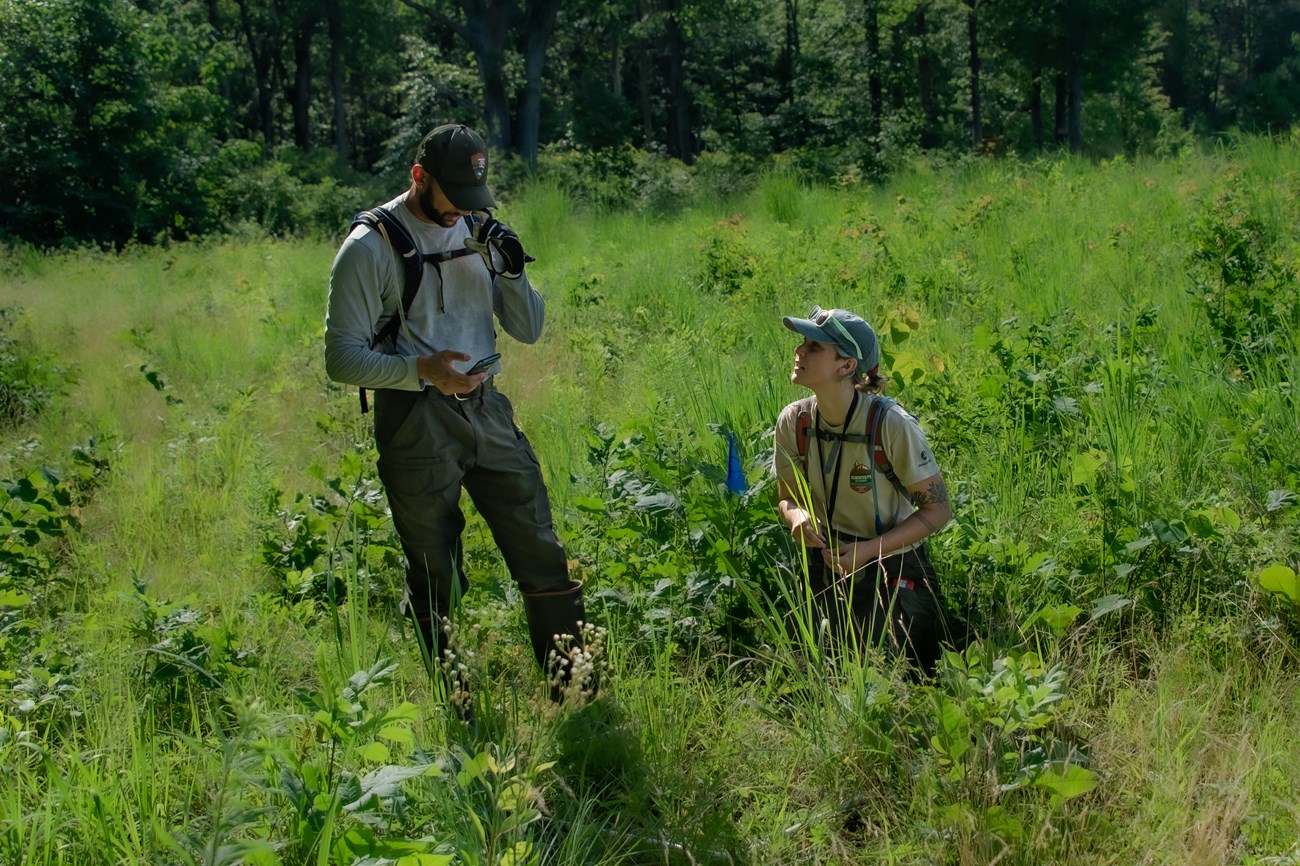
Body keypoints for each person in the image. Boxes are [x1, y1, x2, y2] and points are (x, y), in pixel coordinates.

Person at [324, 123, 588, 706]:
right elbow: (340, 359)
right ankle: (459, 700)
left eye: (473, 201)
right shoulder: (372, 247)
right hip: (416, 420)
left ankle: (574, 693)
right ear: (419, 178)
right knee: (435, 569)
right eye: (452, 200)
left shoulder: (477, 229)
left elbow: (530, 329)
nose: (461, 215)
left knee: (540, 546)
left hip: (487, 409)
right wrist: (423, 370)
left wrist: (513, 272)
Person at [773, 306, 954, 676]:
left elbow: (938, 511)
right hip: (828, 562)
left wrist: (870, 550)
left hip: (894, 563)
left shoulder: (889, 425)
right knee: (825, 673)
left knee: (905, 676)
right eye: (801, 343)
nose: (799, 352)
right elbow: (786, 497)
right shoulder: (795, 421)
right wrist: (796, 519)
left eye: (815, 347)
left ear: (846, 366)